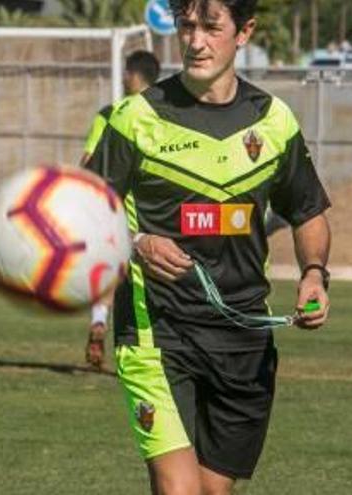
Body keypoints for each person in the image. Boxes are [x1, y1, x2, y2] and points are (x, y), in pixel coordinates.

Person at [86, 1, 331, 493]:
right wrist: (135, 242)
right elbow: (79, 213)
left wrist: (313, 274)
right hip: (159, 332)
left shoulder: (275, 122)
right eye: (187, 27)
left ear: (244, 32)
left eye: (211, 27)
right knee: (180, 490)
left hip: (244, 339)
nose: (196, 42)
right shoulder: (135, 119)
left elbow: (307, 211)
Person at [79, 50, 161, 370]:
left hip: (115, 215)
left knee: (110, 275)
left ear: (131, 75)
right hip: (155, 218)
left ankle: (101, 321)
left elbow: (89, 162)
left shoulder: (112, 113)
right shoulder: (165, 115)